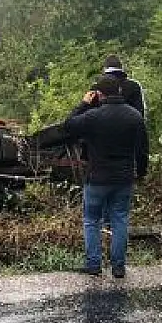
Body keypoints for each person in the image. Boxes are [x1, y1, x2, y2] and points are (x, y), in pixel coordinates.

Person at [64, 76, 149, 278]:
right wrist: (141, 172)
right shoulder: (135, 116)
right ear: (119, 92)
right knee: (120, 220)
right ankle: (118, 267)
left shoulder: (93, 116)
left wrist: (83, 104)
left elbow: (68, 126)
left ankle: (94, 264)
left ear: (100, 94)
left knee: (92, 220)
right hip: (124, 178)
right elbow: (142, 150)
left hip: (97, 178)